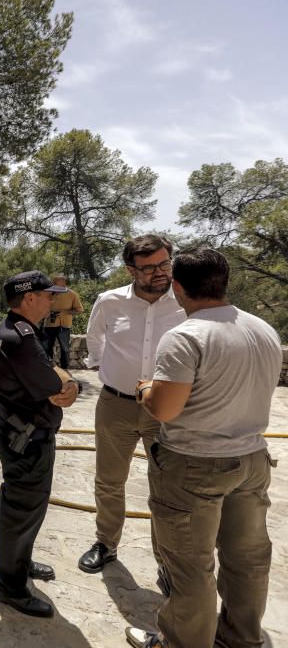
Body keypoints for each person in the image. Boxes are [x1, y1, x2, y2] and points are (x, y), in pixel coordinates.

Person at [124, 248, 282, 648]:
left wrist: (145, 389)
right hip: (251, 460)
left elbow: (166, 408)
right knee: (247, 560)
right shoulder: (262, 328)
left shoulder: (185, 337)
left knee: (190, 567)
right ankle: (241, 639)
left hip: (195, 465)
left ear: (177, 287)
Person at [77, 235, 185, 579]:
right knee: (109, 480)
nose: (160, 272)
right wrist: (100, 364)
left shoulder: (186, 301)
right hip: (116, 405)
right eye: (149, 267)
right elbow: (95, 339)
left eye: (165, 263)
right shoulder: (109, 302)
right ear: (130, 270)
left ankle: (166, 562)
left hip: (167, 409)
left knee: (166, 487)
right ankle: (106, 544)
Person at [0, 270, 80, 618]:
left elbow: (52, 369)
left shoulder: (15, 330)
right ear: (28, 298)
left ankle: (19, 562)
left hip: (23, 435)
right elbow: (54, 384)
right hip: (27, 439)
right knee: (21, 511)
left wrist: (65, 378)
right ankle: (9, 584)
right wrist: (72, 384)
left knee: (26, 510)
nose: (52, 300)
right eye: (47, 295)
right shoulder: (20, 338)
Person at [40, 275, 83, 369]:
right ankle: (48, 370)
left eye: (57, 284)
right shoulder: (48, 293)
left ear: (64, 284)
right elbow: (40, 308)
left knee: (65, 349)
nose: (55, 285)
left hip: (64, 326)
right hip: (48, 325)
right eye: (54, 283)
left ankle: (65, 370)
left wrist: (65, 312)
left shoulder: (72, 294)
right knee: (46, 348)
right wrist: (46, 313)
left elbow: (80, 310)